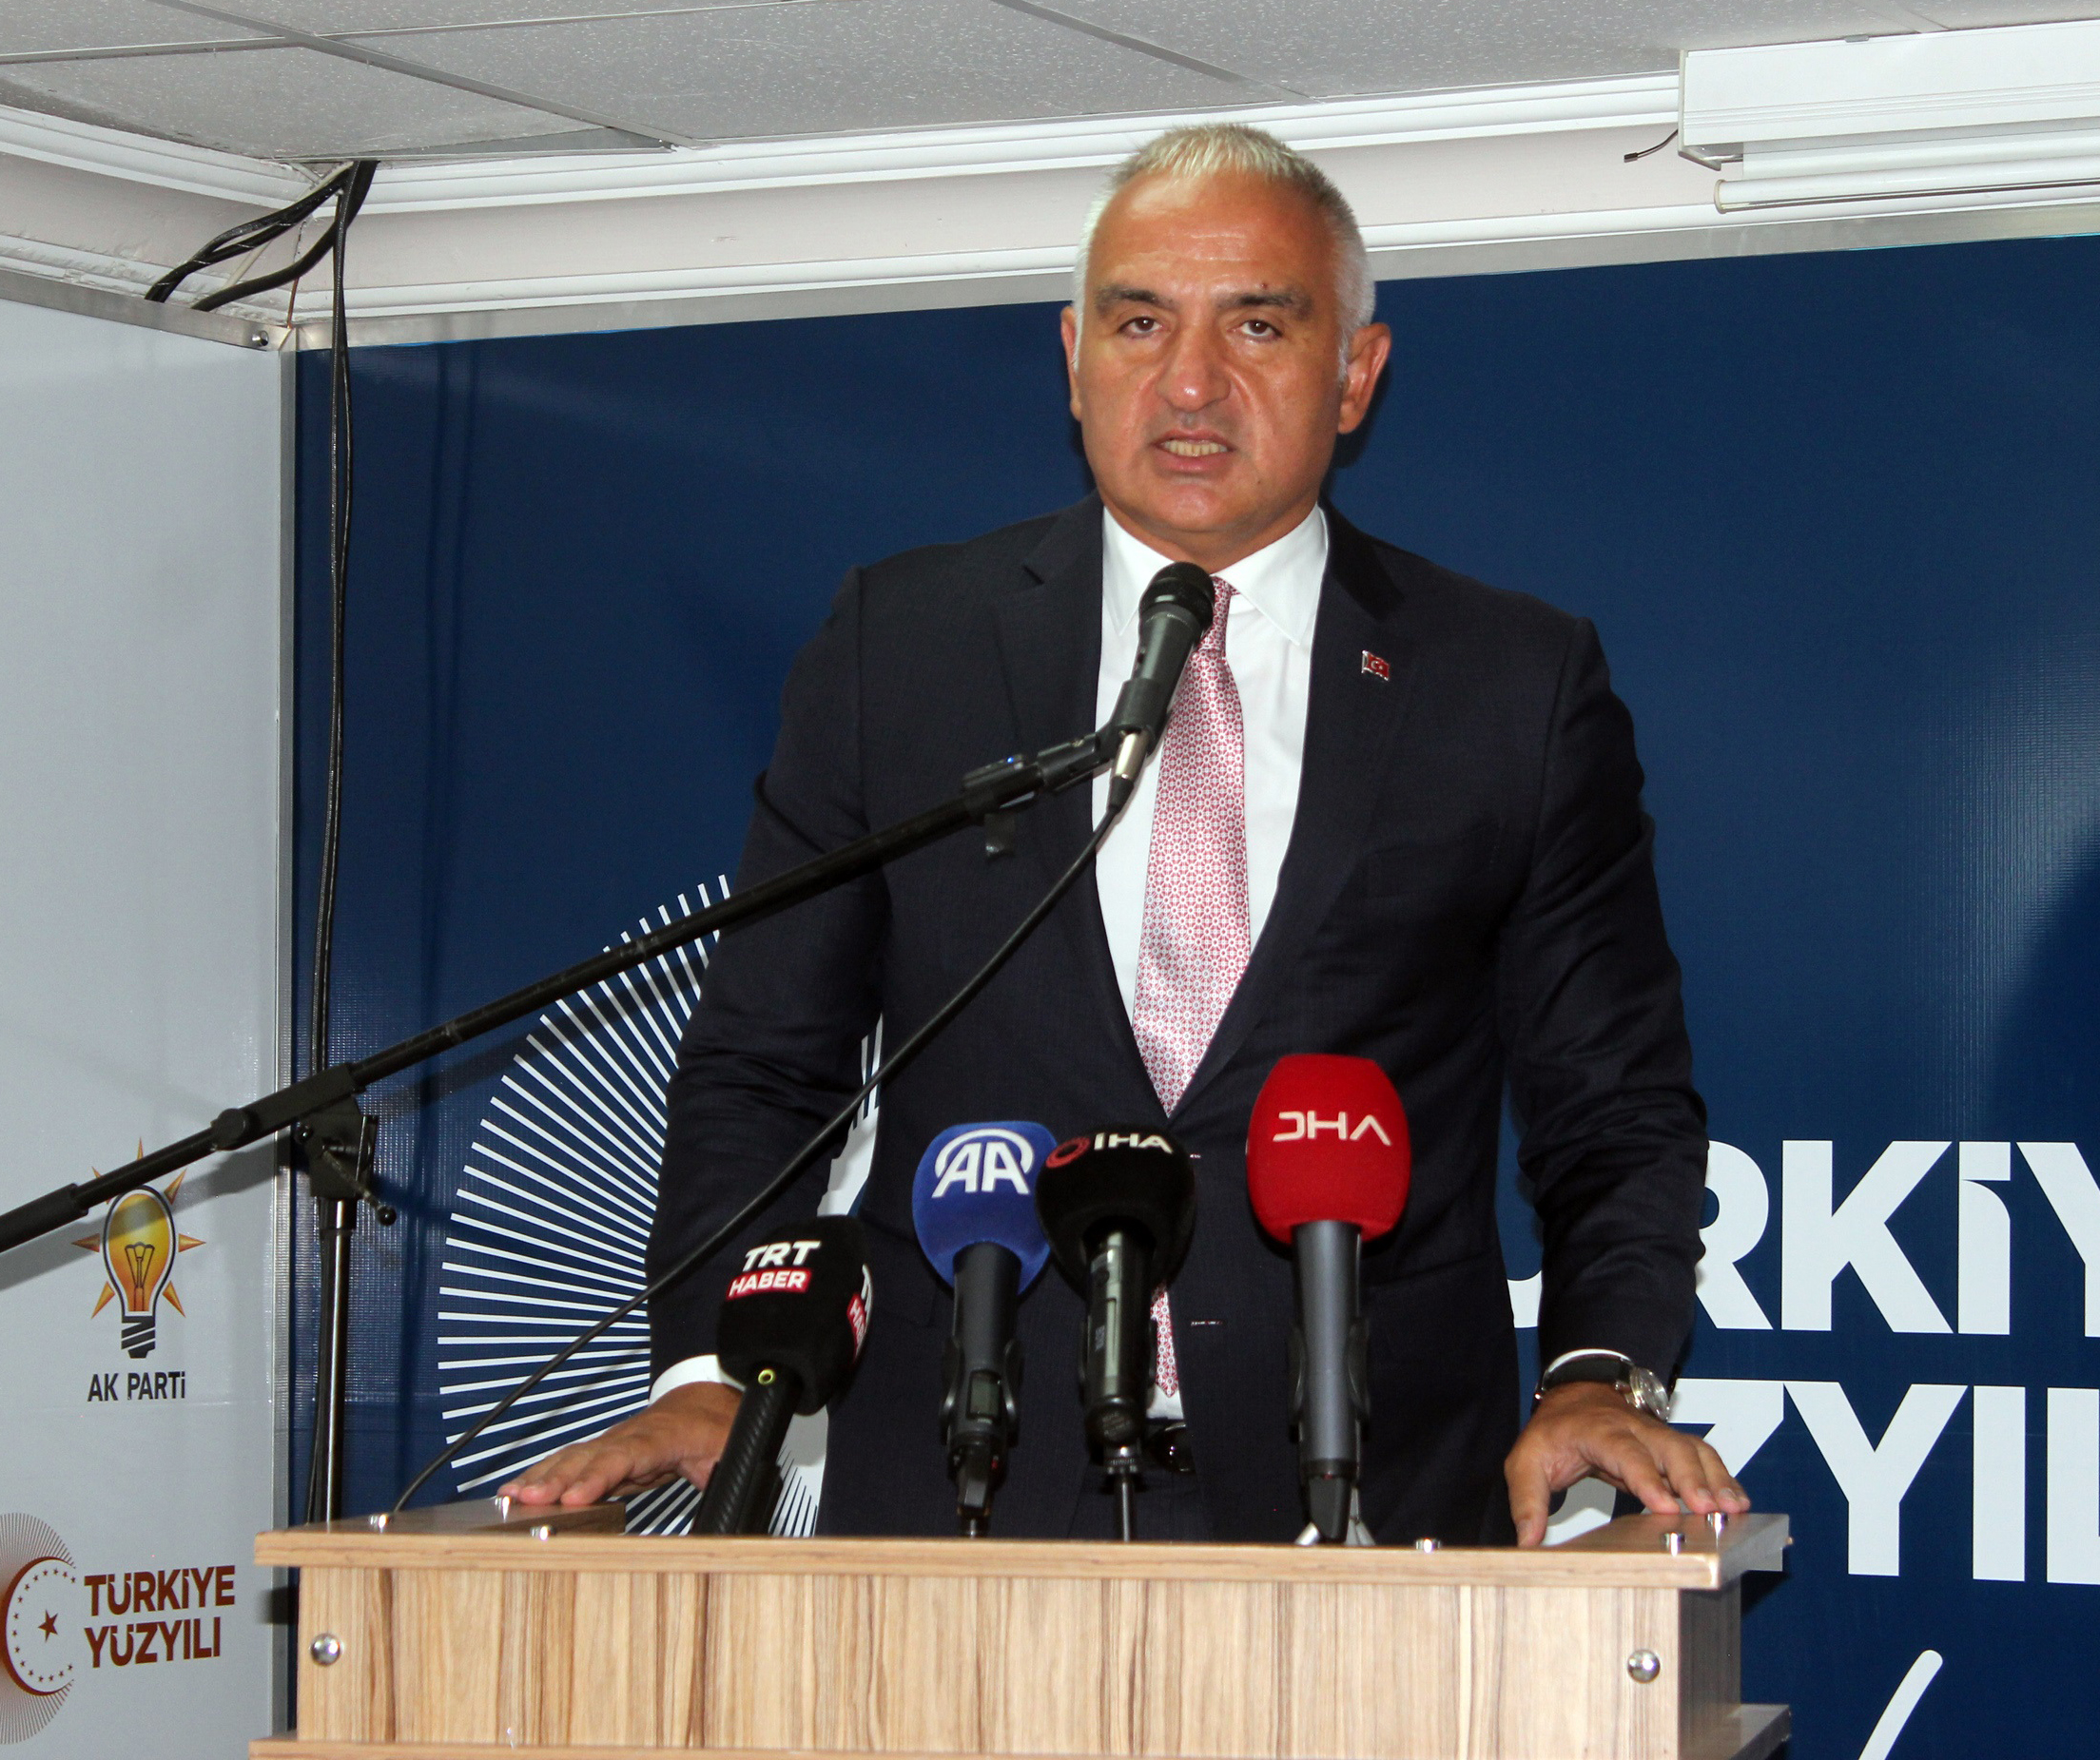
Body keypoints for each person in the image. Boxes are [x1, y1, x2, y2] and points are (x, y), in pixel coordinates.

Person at [505, 124, 1748, 1547]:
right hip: (961, 1489)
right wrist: (714, 1372)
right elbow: (766, 1064)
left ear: (1356, 375)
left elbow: (1613, 1104)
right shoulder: (899, 647)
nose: (1191, 382)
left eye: (1258, 324)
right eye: (1140, 321)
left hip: (1366, 1482)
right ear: (1074, 358)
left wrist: (1598, 1369)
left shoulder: (1508, 683)